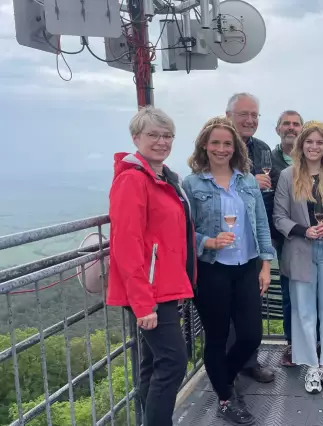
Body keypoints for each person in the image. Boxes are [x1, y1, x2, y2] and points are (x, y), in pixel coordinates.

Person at [182, 116, 275, 425]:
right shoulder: (192, 184)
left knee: (250, 336)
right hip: (212, 271)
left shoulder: (247, 180)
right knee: (217, 336)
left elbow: (261, 224)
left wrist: (266, 263)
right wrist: (208, 241)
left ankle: (224, 379)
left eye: (227, 143)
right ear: (204, 146)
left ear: (235, 147)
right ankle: (225, 398)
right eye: (215, 143)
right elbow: (184, 232)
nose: (221, 149)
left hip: (246, 266)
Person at [106, 106, 196, 426]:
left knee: (153, 364)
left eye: (167, 135)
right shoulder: (133, 180)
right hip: (149, 291)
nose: (161, 141)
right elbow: (126, 244)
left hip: (164, 286)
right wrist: (143, 303)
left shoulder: (163, 177)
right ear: (136, 138)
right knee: (173, 362)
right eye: (153, 135)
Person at [273, 120, 323, 394]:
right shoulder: (287, 175)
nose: (314, 147)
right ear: (301, 144)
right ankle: (310, 366)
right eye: (310, 142)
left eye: (319, 142)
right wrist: (303, 231)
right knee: (304, 310)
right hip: (300, 249)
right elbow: (279, 217)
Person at [225, 92, 276, 383]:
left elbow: (267, 198)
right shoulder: (217, 144)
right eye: (244, 114)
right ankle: (226, 369)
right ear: (228, 114)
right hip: (223, 242)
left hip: (253, 241)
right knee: (225, 311)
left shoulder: (263, 149)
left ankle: (248, 361)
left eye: (255, 115)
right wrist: (248, 183)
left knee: (250, 307)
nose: (250, 120)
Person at [271, 110, 303, 366]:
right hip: (284, 239)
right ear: (277, 129)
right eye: (286, 124)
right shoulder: (268, 161)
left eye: (296, 124)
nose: (291, 128)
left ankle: (316, 342)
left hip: (317, 238)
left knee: (316, 293)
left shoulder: (315, 159)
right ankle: (292, 344)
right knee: (289, 293)